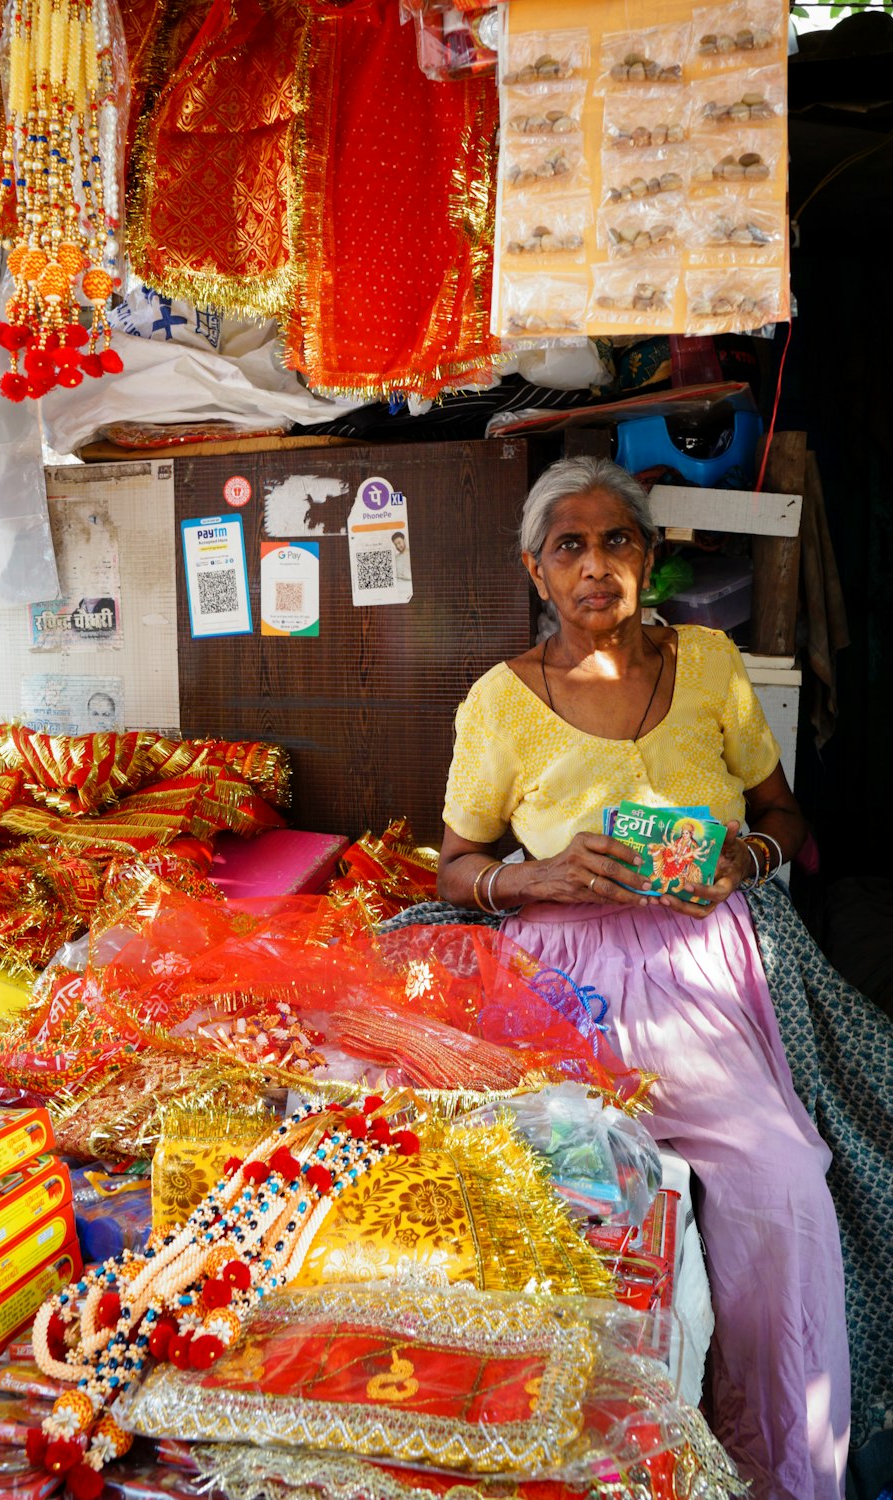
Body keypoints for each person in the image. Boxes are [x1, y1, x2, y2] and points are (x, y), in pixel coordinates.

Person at [437, 456, 850, 1500]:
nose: (594, 566)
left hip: (705, 963)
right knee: (586, 1212)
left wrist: (741, 860)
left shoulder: (708, 664)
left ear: (650, 561)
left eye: (616, 541)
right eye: (568, 547)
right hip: (563, 981)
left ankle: (783, 1470)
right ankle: (620, 1472)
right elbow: (454, 865)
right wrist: (537, 874)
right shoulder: (499, 701)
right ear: (536, 572)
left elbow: (784, 817)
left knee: (783, 1185)